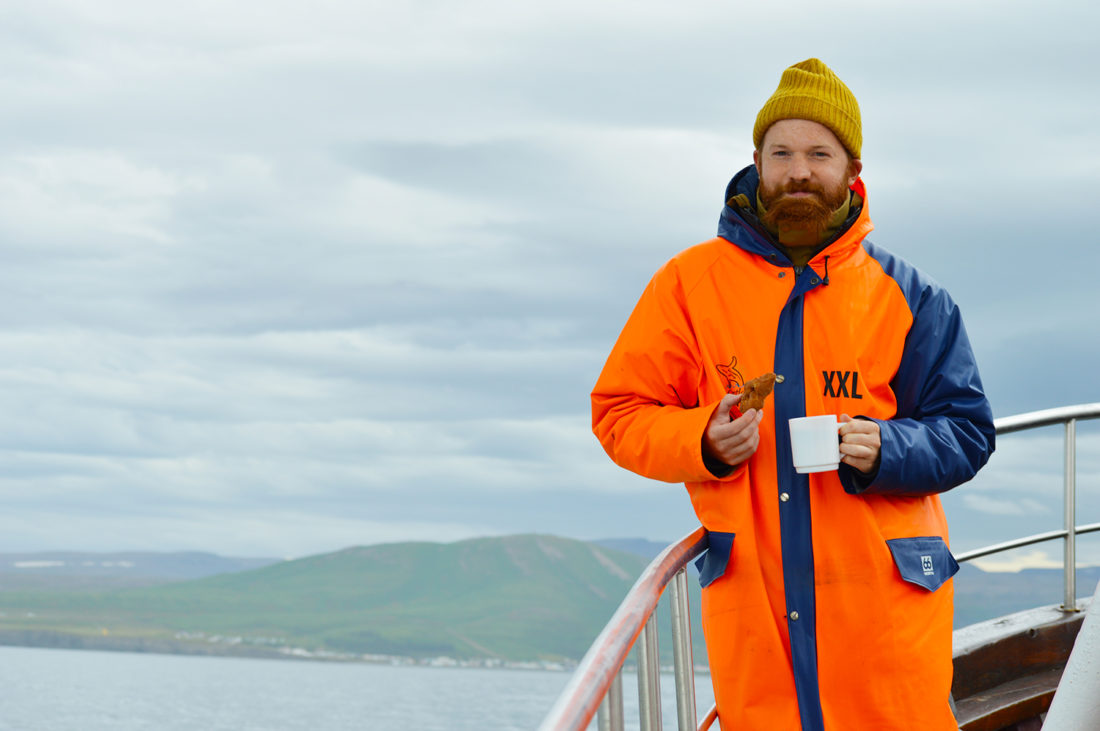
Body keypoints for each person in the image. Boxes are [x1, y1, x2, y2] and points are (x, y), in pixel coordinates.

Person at [590, 58, 995, 730]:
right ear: (757, 162)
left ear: (852, 170)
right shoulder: (687, 286)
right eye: (781, 152)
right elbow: (620, 414)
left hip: (886, 620)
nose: (798, 170)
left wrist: (887, 445)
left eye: (818, 153)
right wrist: (701, 441)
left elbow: (967, 431)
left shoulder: (911, 296)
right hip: (756, 618)